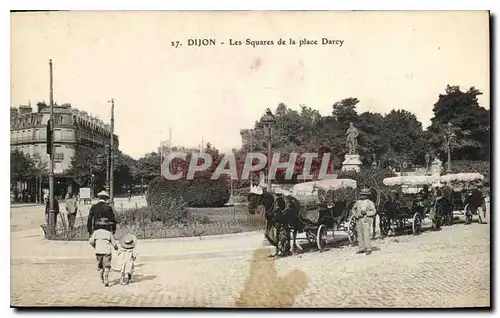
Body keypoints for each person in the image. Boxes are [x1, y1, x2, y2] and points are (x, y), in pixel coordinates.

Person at [89, 218, 119, 287]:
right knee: (107, 265)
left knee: (101, 266)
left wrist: (95, 246)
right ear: (107, 226)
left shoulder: (96, 232)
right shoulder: (109, 233)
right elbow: (114, 244)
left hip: (98, 251)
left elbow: (91, 241)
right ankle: (106, 278)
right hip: (107, 251)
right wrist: (116, 248)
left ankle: (101, 278)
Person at [351, 188, 377, 255]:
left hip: (366, 219)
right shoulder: (358, 202)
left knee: (366, 234)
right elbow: (353, 209)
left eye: (364, 195)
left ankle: (368, 248)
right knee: (359, 234)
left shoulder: (370, 203)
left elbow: (373, 211)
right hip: (358, 219)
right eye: (362, 195)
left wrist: (367, 213)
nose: (363, 196)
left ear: (368, 196)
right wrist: (356, 215)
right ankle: (361, 248)